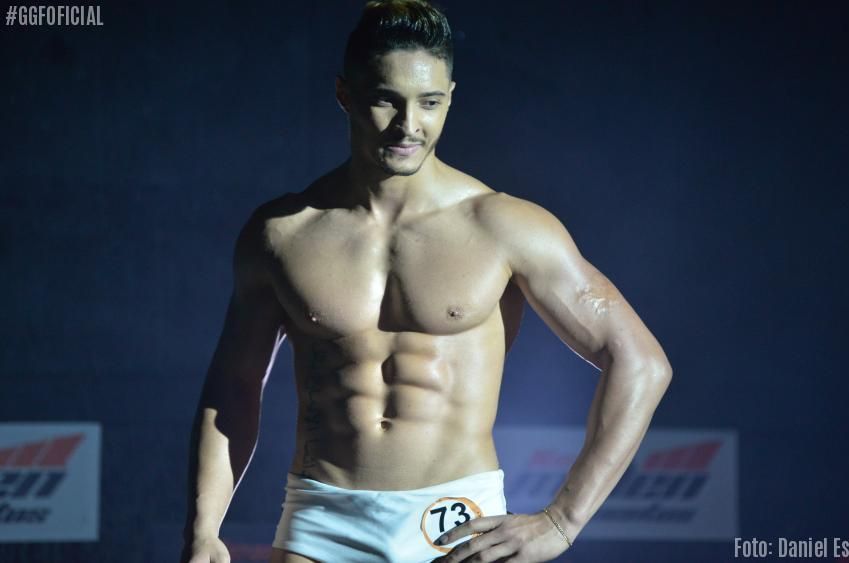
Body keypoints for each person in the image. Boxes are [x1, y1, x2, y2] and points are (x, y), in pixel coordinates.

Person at [181, 1, 672, 562]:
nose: (408, 125)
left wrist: (562, 521)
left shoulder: (502, 226)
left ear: (450, 98)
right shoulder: (282, 233)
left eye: (429, 102)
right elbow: (234, 389)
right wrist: (203, 530)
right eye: (386, 99)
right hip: (323, 524)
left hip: (460, 524)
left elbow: (641, 362)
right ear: (344, 94)